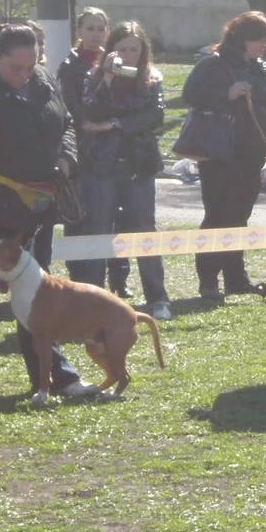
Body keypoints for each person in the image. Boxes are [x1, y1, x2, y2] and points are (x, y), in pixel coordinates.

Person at [0, 22, 96, 405]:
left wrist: (66, 159)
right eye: (16, 67)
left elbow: (66, 123)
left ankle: (55, 377)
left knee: (39, 298)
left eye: (32, 65)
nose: (25, 74)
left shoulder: (42, 81)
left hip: (38, 210)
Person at [181, 11, 266, 299]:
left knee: (240, 215)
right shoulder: (213, 63)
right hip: (221, 153)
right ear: (242, 38)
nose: (263, 44)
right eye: (258, 39)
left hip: (254, 152)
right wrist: (227, 94)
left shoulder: (262, 68)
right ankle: (209, 279)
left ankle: (236, 278)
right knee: (217, 215)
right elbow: (190, 94)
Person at [78, 21, 173, 321]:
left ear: (143, 51)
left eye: (134, 49)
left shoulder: (152, 78)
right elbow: (90, 112)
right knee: (99, 228)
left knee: (145, 228)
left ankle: (157, 297)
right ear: (111, 50)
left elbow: (155, 116)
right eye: (122, 49)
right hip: (101, 165)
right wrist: (107, 78)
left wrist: (115, 124)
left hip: (138, 164)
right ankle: (94, 298)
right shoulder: (94, 77)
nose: (128, 55)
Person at [56, 6, 129, 294]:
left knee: (116, 216)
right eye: (90, 28)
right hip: (84, 148)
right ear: (79, 31)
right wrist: (90, 124)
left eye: (101, 29)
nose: (96, 34)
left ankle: (119, 277)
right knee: (81, 215)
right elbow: (73, 108)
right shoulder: (70, 65)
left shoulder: (118, 61)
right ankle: (80, 278)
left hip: (115, 147)